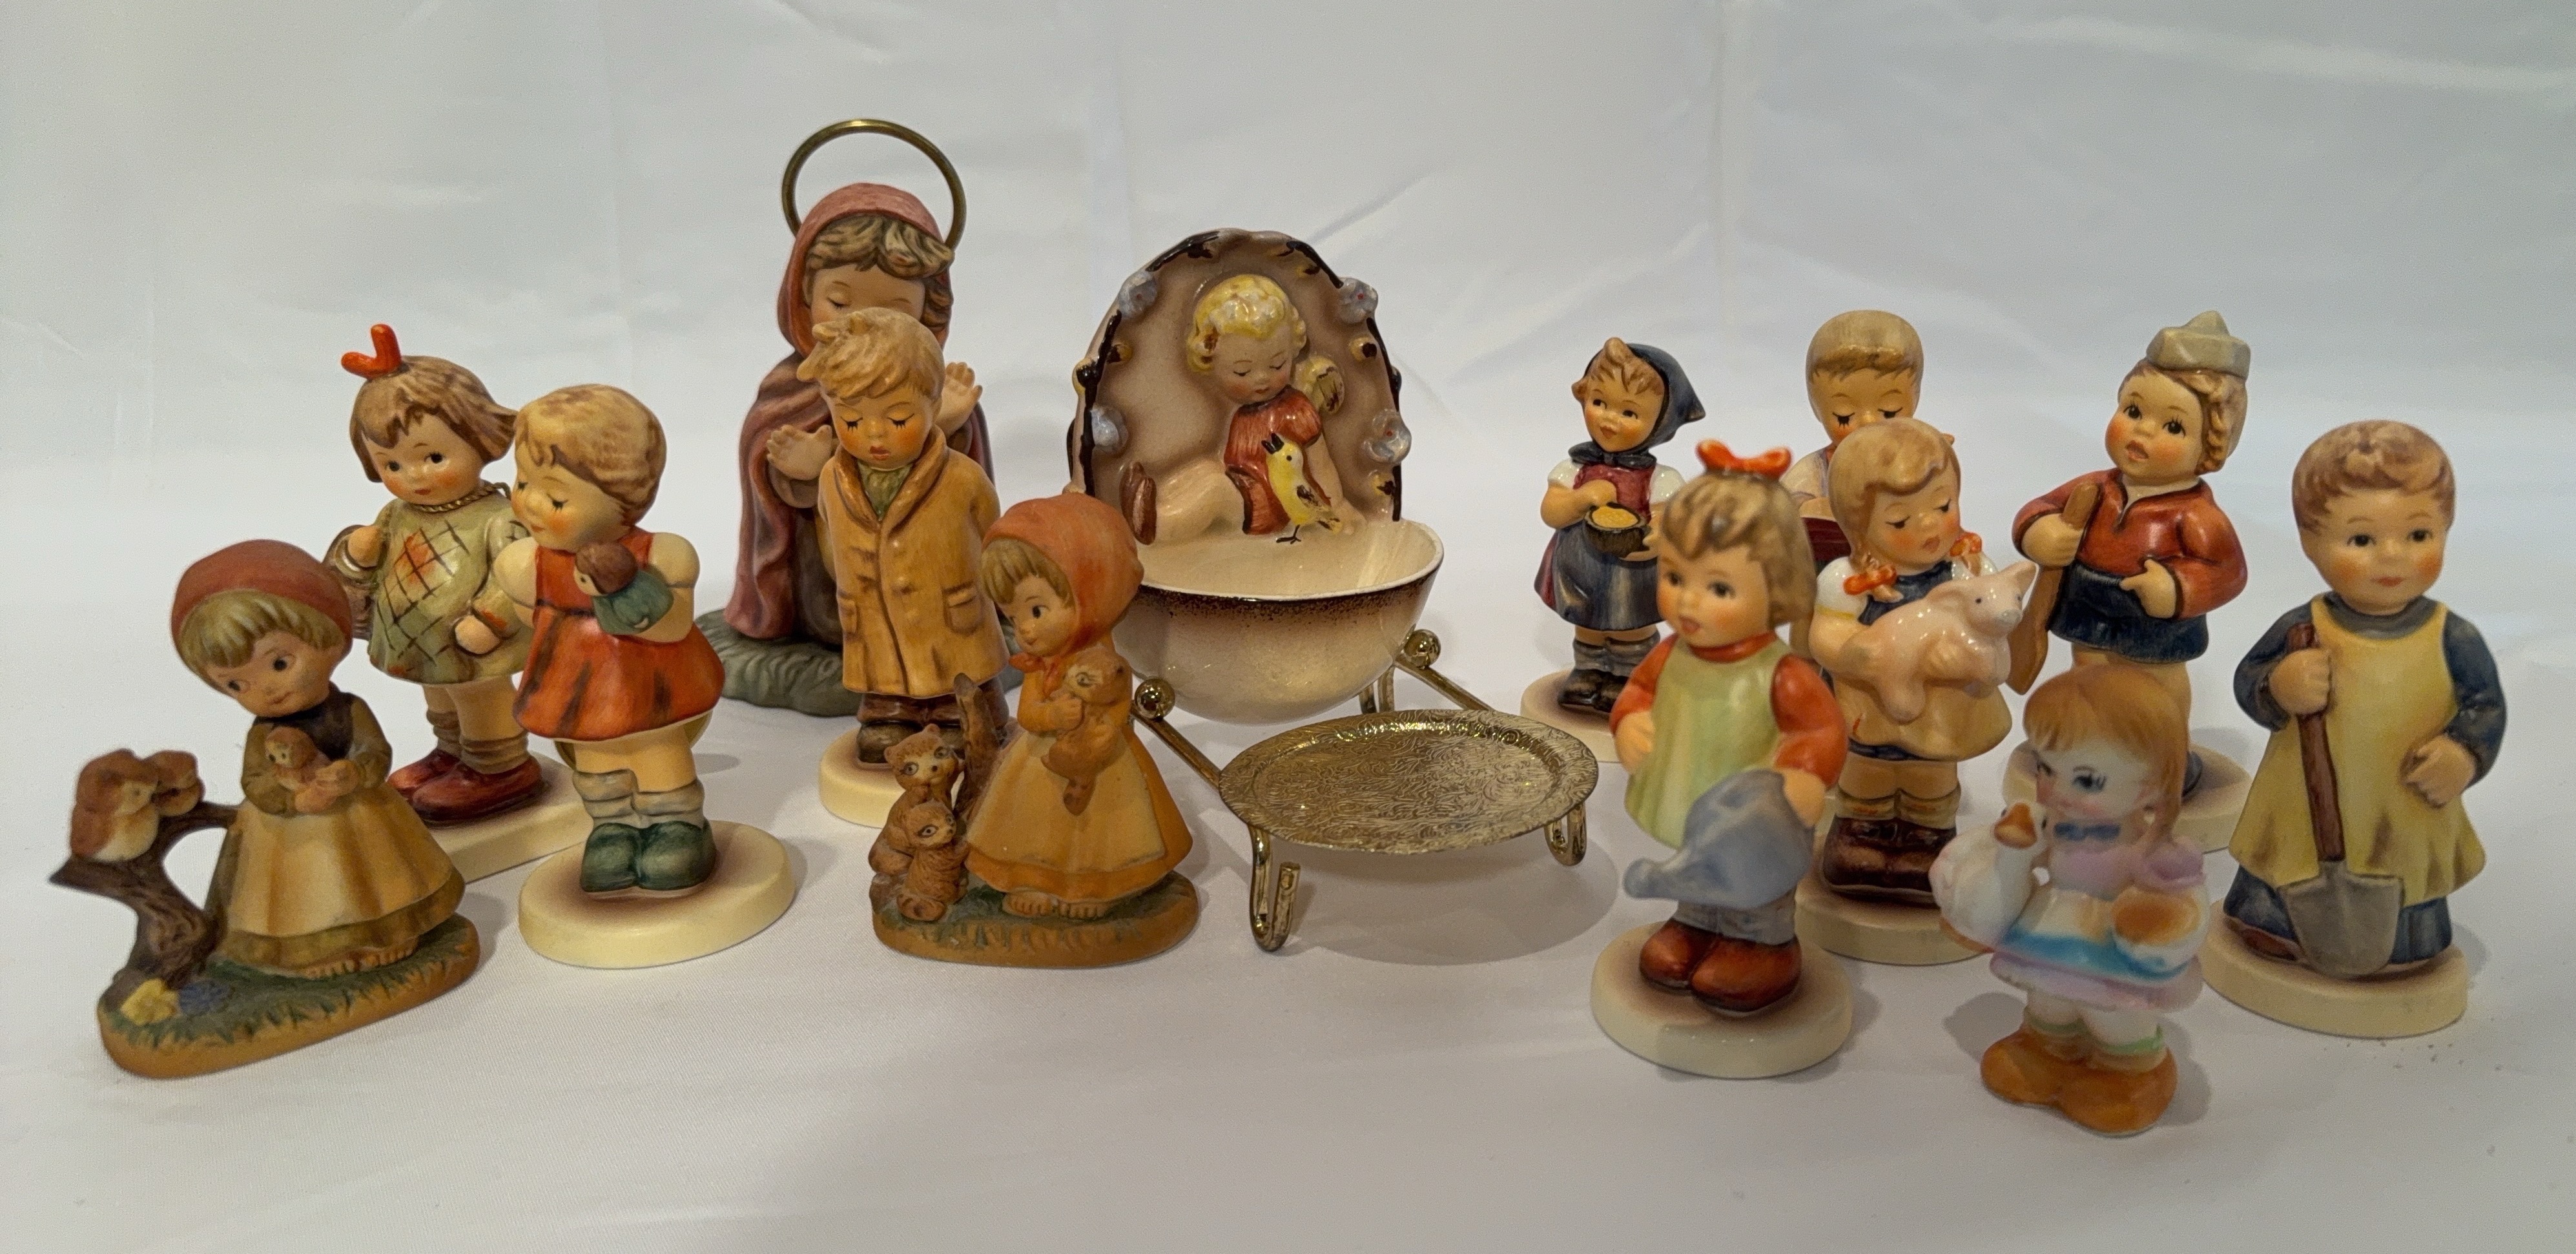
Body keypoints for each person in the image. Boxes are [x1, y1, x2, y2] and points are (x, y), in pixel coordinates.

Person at [2221, 420, 2502, 974]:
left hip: (2405, 798)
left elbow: (2485, 706)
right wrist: (2278, 685)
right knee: (2288, 855)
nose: (2392, 557)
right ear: (2310, 543)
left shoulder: (2451, 637)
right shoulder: (2303, 627)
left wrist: (2464, 753)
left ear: (2445, 529)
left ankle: (2406, 942)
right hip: (2305, 795)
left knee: (2408, 872)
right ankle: (2272, 922)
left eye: (2417, 535)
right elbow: (2248, 679)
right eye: (2361, 540)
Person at [1933, 664, 2209, 1135]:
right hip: (2050, 927)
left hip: (2109, 948)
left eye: (2085, 781)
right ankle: (2046, 1048)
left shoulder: (2154, 853)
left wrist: (2159, 923)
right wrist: (2010, 855)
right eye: (2045, 768)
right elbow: (2013, 862)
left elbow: (2183, 904)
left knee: (2113, 1015)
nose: (2055, 790)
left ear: (2150, 787)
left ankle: (2132, 1069)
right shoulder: (2052, 825)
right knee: (2048, 1000)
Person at [172, 540, 464, 976]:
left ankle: (390, 935)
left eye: (279, 664)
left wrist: (354, 773)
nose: (267, 690)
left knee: (378, 879)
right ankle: (313, 954)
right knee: (297, 894)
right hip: (287, 830)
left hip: (359, 812)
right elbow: (255, 781)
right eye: (236, 684)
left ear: (329, 637)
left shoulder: (349, 710)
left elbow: (375, 751)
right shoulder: (263, 734)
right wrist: (291, 800)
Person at [324, 325, 542, 822]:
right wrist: (357, 554)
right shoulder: (395, 515)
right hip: (420, 639)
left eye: (434, 457)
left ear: (479, 439)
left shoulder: (499, 519)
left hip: (475, 642)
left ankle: (499, 765)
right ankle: (451, 751)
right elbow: (354, 575)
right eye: (391, 465)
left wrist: (490, 619)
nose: (414, 476)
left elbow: (521, 573)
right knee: (439, 694)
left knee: (477, 695)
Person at [1533, 337, 1703, 713]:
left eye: (1629, 412)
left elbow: (1670, 521)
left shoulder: (1661, 478)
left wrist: (1656, 540)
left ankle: (1630, 676)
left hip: (1633, 572)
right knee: (1587, 624)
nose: (1609, 419)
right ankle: (1588, 671)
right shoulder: (1574, 468)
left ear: (1661, 423)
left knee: (1631, 627)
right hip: (1579, 567)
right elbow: (1551, 512)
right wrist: (1580, 498)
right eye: (1599, 403)